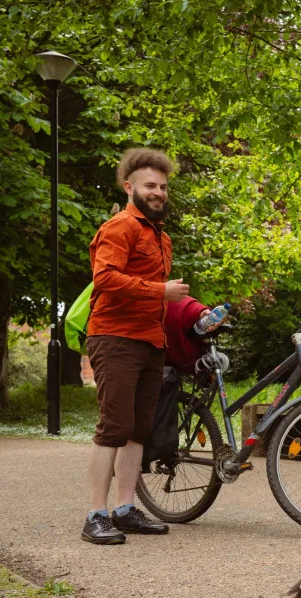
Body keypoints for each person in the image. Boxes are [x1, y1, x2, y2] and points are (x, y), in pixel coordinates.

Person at [81, 148, 190, 545]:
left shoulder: (163, 238)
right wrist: (161, 291)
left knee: (138, 430)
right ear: (130, 187)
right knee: (113, 427)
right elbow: (105, 278)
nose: (159, 192)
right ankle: (95, 514)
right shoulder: (119, 227)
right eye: (150, 185)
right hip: (115, 337)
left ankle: (124, 509)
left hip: (150, 341)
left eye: (163, 186)